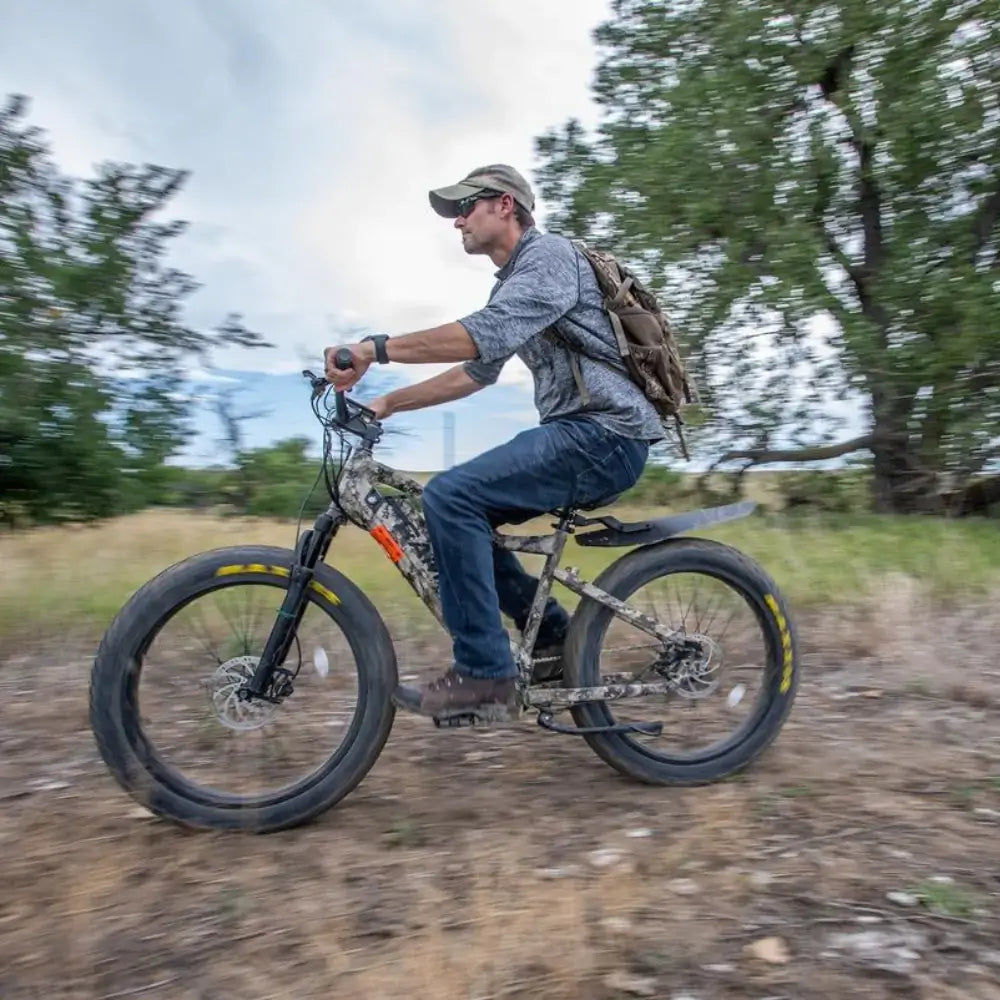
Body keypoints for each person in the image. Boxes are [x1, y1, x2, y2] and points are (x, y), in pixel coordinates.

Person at [324, 163, 662, 721]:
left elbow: (482, 333)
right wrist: (385, 402)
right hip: (578, 433)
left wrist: (374, 349)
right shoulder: (512, 283)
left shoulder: (550, 256)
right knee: (458, 513)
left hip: (606, 434)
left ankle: (485, 676)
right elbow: (475, 371)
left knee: (450, 496)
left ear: (505, 205)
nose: (457, 221)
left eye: (466, 207)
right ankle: (554, 637)